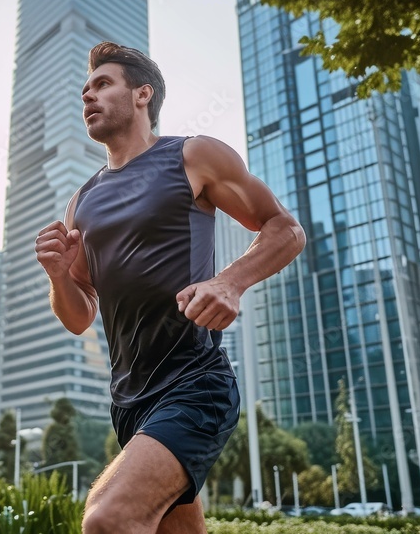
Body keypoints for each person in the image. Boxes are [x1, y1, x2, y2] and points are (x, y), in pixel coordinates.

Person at [34, 41, 306, 533]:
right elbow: (79, 316)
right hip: (130, 401)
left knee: (108, 518)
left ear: (143, 94)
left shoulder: (192, 155)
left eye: (102, 84)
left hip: (195, 382)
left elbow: (285, 229)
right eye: (84, 91)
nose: (88, 98)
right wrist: (59, 275)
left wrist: (229, 283)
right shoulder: (82, 201)